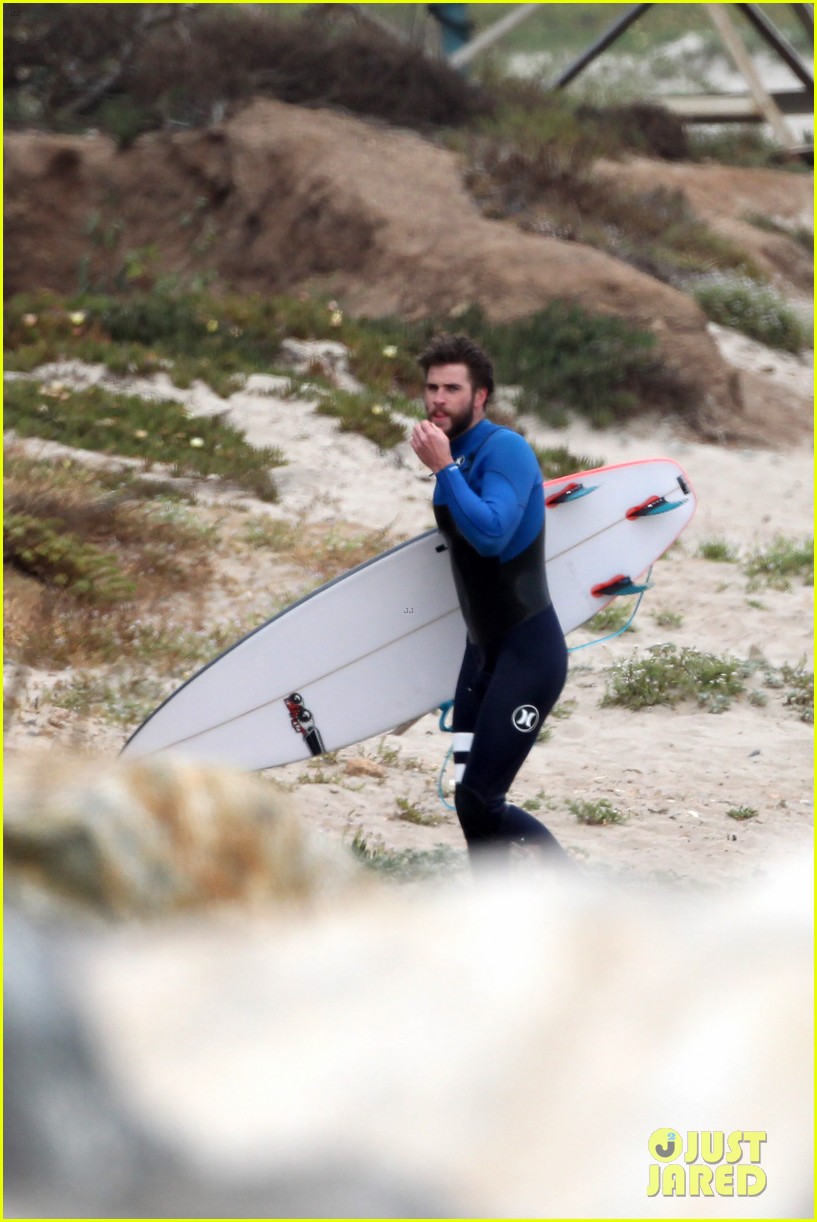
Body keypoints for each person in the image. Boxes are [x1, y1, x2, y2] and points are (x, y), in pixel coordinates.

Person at [410, 333, 570, 865]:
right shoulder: (455, 454)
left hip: (529, 655)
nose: (438, 399)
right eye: (432, 388)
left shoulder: (505, 449)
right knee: (467, 802)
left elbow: (494, 535)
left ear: (480, 396)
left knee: (483, 796)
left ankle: (576, 893)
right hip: (480, 656)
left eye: (452, 388)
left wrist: (444, 470)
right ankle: (494, 921)